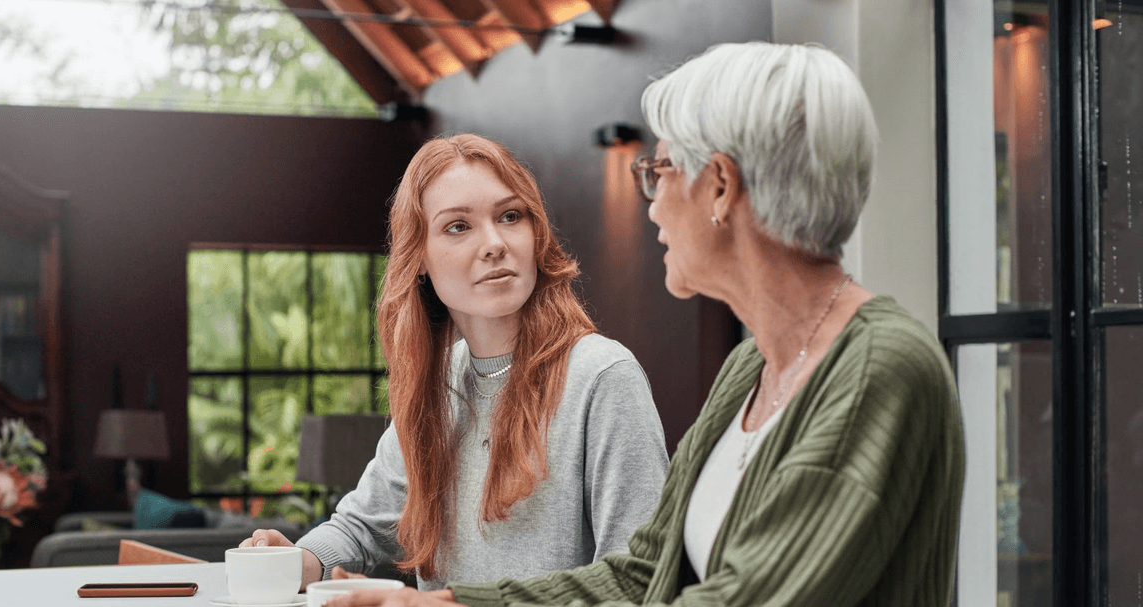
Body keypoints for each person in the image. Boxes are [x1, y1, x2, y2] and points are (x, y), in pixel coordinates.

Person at [327, 42, 966, 607]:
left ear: (719, 187)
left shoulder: (881, 369)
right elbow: (643, 576)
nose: (651, 202)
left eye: (659, 172)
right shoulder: (754, 366)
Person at [242, 134, 669, 592]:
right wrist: (296, 559)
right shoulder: (439, 380)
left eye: (510, 217)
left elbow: (636, 581)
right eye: (457, 227)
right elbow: (362, 527)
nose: (494, 243)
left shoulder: (602, 375)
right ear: (419, 257)